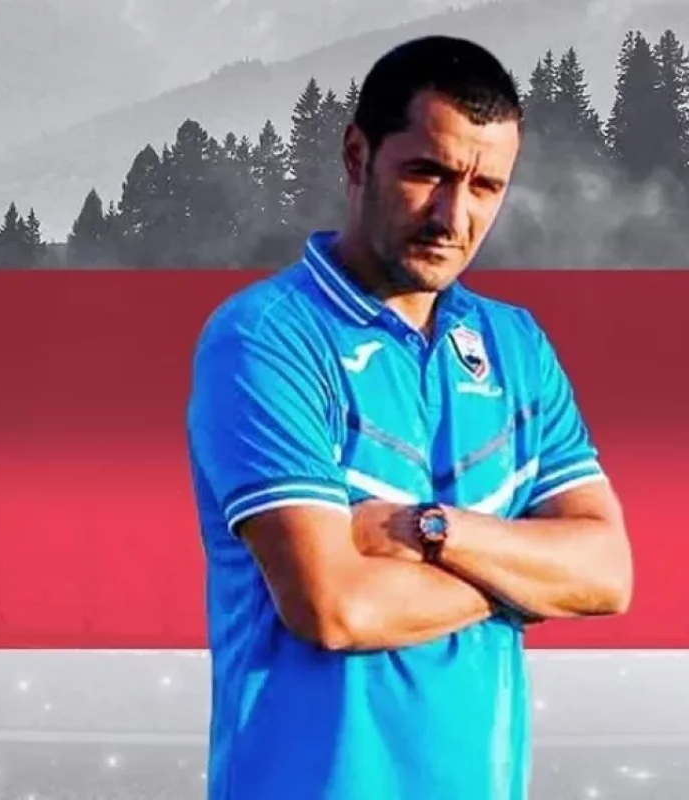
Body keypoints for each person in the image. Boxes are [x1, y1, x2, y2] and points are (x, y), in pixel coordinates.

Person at [185, 34, 633, 800]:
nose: (454, 217)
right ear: (357, 156)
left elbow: (609, 573)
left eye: (486, 186)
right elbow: (334, 606)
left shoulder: (516, 346)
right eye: (427, 173)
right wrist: (526, 580)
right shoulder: (263, 338)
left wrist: (431, 532)